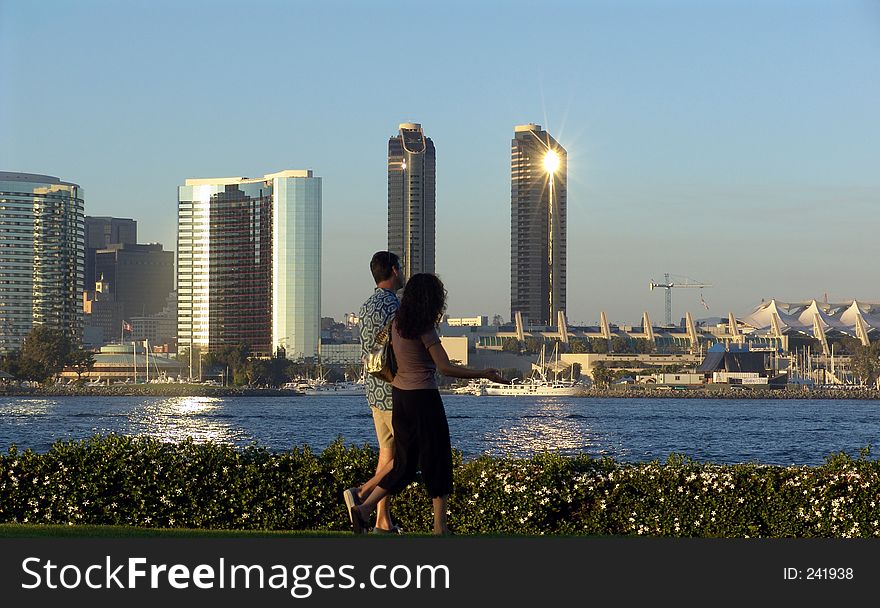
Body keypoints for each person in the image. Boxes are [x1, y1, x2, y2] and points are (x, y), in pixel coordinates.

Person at [350, 273, 507, 535]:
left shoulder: (396, 324)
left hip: (400, 397)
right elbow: (445, 368)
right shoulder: (424, 328)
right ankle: (439, 527)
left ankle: (365, 508)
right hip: (424, 399)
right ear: (432, 299)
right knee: (438, 460)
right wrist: (483, 374)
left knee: (404, 464)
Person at [343, 251, 403, 534]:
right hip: (395, 388)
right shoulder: (395, 306)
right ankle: (362, 494)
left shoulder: (365, 307)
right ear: (393, 270)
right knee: (404, 458)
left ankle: (382, 520)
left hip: (374, 391)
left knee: (386, 453)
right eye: (399, 268)